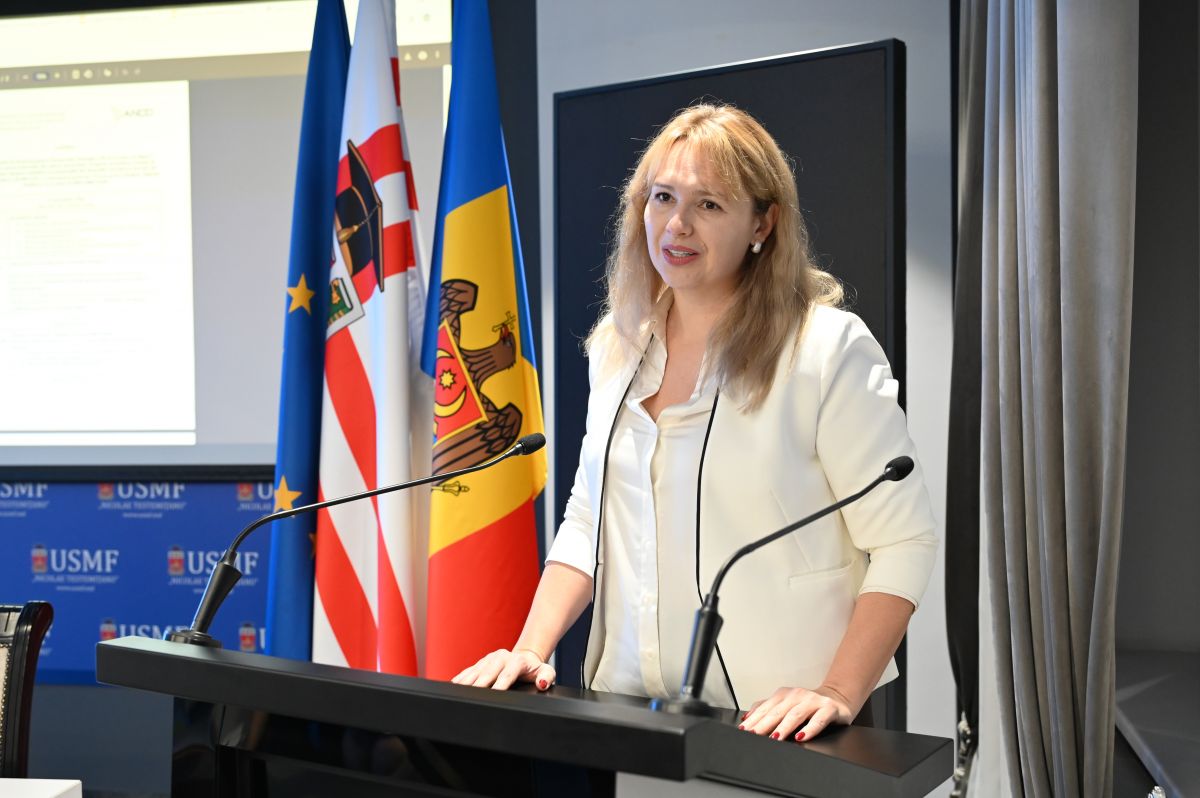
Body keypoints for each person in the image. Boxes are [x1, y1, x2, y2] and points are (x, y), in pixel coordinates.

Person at [452, 104, 938, 743]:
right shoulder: (618, 346)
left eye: (709, 204)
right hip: (628, 717)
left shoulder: (825, 349)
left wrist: (838, 692)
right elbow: (590, 521)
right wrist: (530, 649)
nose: (677, 224)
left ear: (763, 223)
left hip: (784, 728)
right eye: (663, 197)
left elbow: (905, 541)